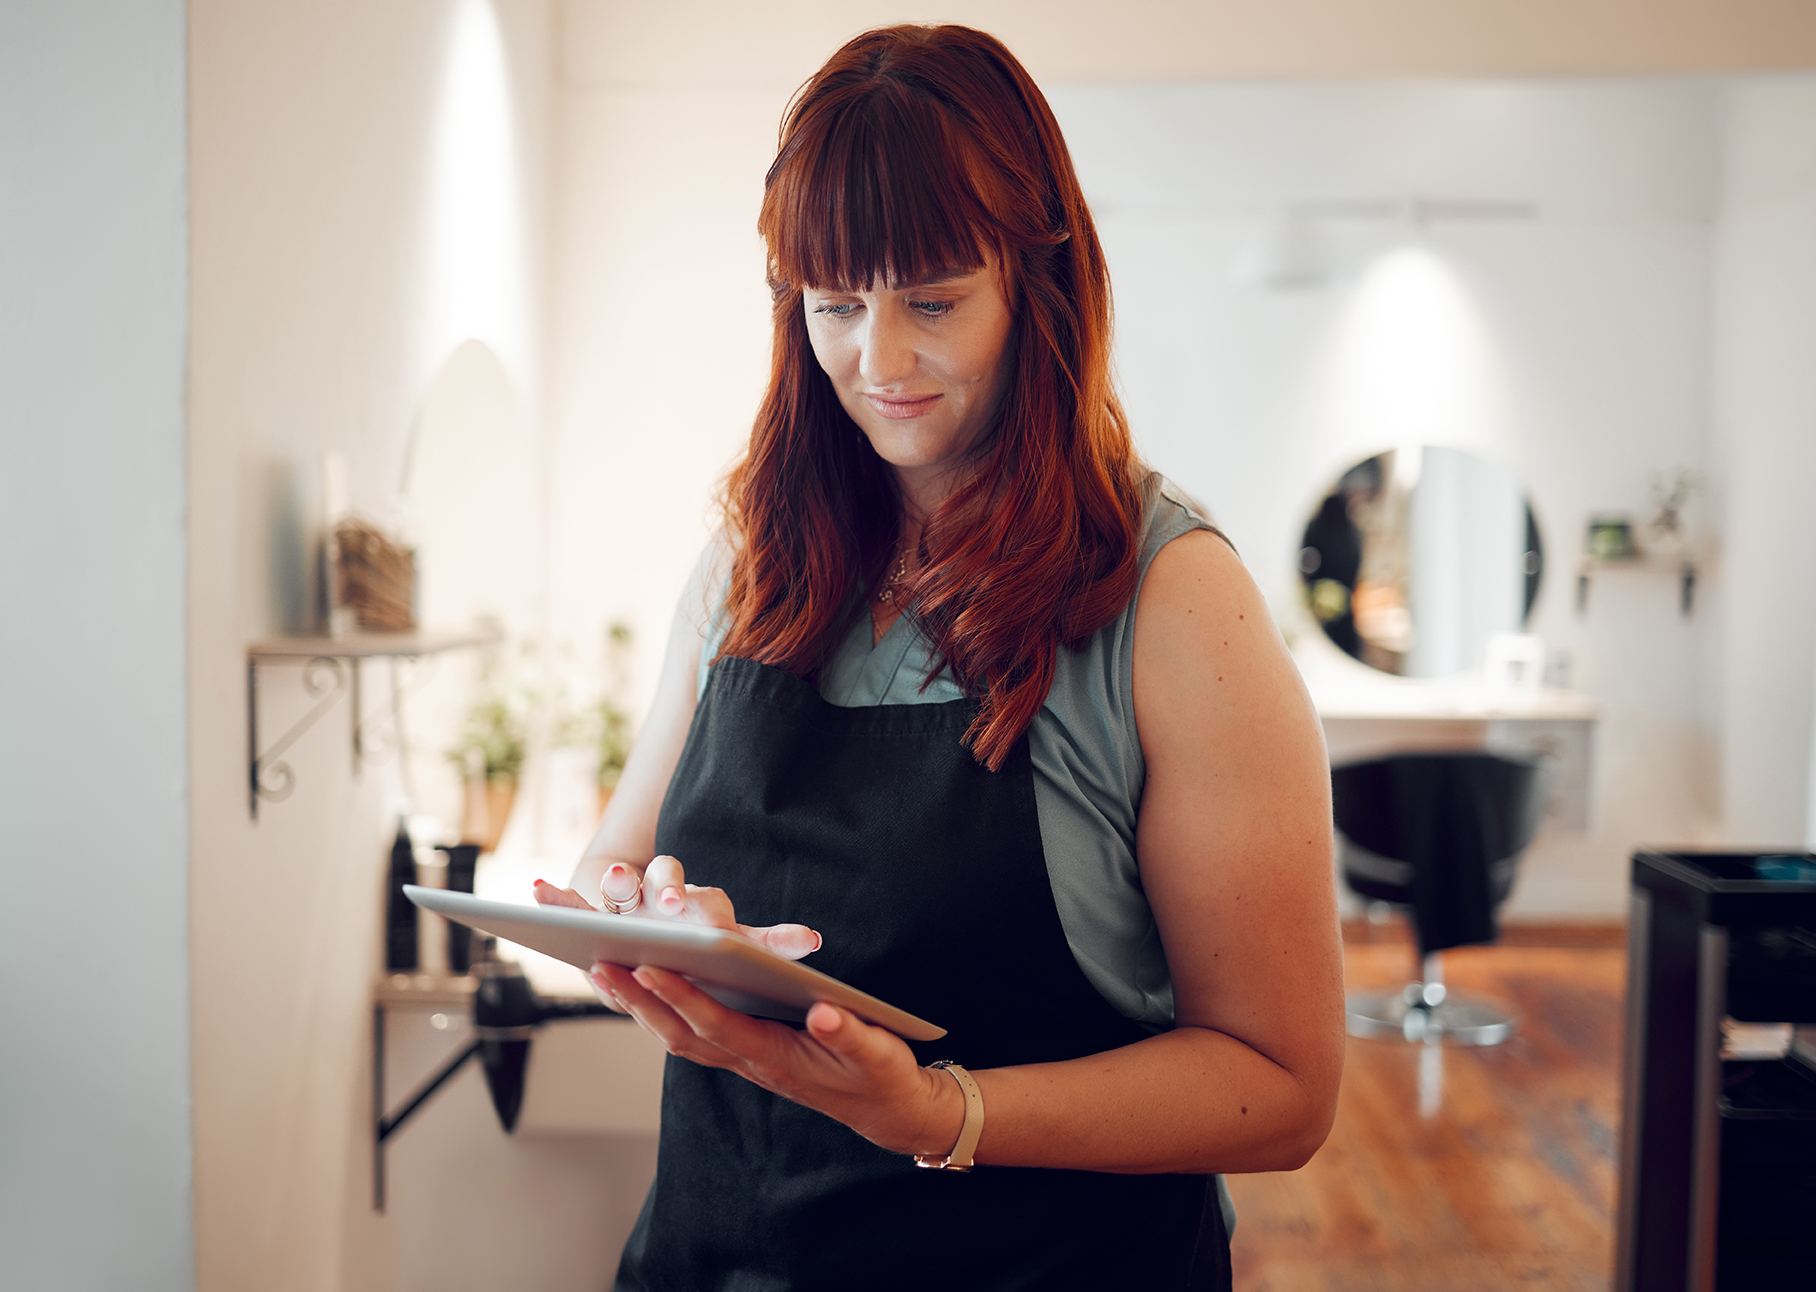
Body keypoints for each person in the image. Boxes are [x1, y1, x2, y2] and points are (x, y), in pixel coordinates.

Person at [534, 23, 1343, 1291]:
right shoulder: (754, 549)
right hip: (712, 1254)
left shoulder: (1174, 600)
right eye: (836, 304)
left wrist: (938, 1115)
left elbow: (1284, 1086)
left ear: (1039, 280)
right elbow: (615, 858)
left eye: (934, 300)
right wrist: (652, 918)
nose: (880, 361)